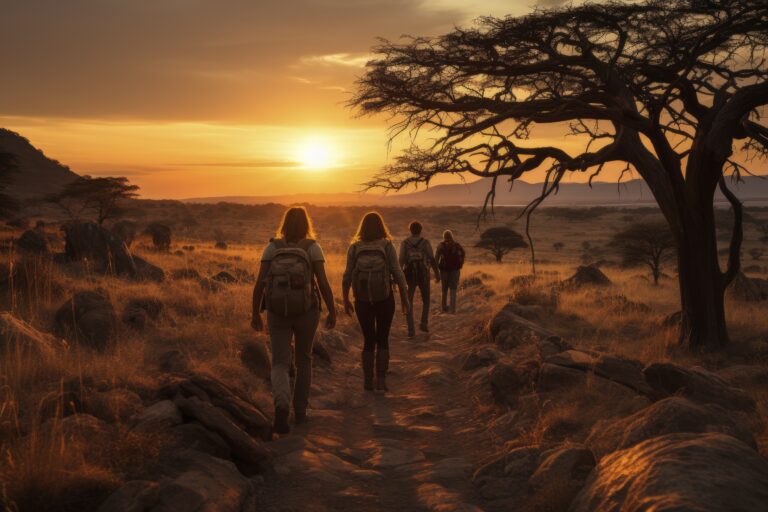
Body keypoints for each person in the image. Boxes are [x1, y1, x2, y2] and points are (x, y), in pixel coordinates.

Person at [251, 206, 336, 435]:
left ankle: (281, 406)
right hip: (307, 311)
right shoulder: (312, 247)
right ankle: (300, 412)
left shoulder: (272, 247)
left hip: (277, 311)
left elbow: (259, 283)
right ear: (306, 224)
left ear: (285, 224)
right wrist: (332, 310)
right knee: (304, 360)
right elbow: (324, 284)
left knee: (279, 362)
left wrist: (255, 313)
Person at [342, 212, 409, 393]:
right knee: (383, 338)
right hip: (385, 298)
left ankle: (367, 381)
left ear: (362, 227)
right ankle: (380, 380)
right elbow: (397, 272)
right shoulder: (387, 245)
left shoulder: (354, 247)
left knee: (368, 339)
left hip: (362, 300)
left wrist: (346, 298)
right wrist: (404, 297)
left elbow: (347, 275)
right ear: (381, 226)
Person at [399, 221, 440, 337]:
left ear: (410, 230)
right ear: (420, 230)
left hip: (409, 275)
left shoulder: (405, 243)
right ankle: (424, 323)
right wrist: (437, 273)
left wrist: (399, 277)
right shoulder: (425, 242)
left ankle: (411, 330)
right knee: (426, 300)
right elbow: (432, 259)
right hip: (423, 274)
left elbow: (401, 261)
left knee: (408, 302)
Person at [435, 230, 465, 313]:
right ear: (452, 236)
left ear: (444, 236)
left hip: (444, 270)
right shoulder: (457, 245)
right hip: (455, 270)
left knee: (444, 289)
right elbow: (462, 256)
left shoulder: (441, 245)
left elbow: (436, 259)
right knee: (453, 289)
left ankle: (444, 308)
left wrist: (436, 270)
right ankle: (453, 309)